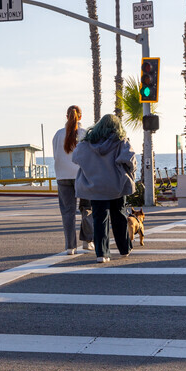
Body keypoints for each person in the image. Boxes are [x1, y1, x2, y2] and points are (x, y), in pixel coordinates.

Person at [72, 114, 137, 263]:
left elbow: (75, 159)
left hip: (95, 187)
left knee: (99, 220)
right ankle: (124, 249)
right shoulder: (121, 142)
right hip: (116, 186)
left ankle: (102, 254)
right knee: (119, 217)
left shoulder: (86, 144)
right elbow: (131, 161)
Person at [52, 105, 93, 255]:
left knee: (67, 212)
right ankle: (88, 242)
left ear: (66, 116)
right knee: (87, 208)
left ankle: (70, 246)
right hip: (82, 174)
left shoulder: (58, 134)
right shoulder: (85, 133)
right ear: (80, 117)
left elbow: (56, 155)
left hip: (62, 176)